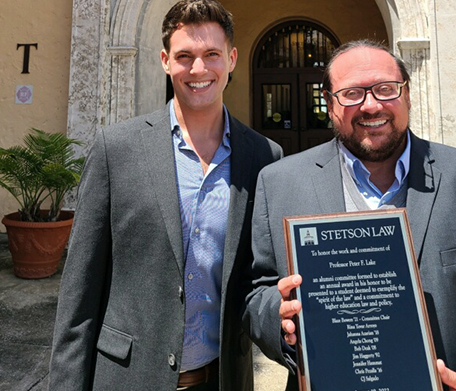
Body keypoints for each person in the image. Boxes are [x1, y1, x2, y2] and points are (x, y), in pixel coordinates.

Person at [243, 39, 456, 391]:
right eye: (351, 93)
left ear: (407, 95)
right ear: (330, 104)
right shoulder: (280, 184)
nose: (371, 105)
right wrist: (278, 319)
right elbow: (259, 291)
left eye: (386, 89)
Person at [49, 1, 282, 390]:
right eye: (184, 56)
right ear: (164, 60)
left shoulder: (262, 157)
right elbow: (79, 292)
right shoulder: (116, 149)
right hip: (128, 378)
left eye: (212, 55)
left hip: (223, 378)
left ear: (232, 58)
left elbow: (260, 280)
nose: (198, 69)